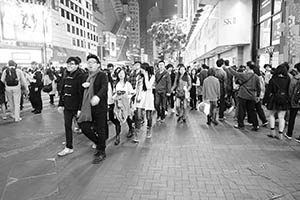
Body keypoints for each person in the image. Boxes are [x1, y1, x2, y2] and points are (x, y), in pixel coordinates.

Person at [77, 54, 108, 164]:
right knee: (84, 126)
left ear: (98, 65)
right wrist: (83, 86)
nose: (90, 64)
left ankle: (101, 151)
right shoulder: (85, 76)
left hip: (99, 107)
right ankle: (99, 144)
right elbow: (79, 92)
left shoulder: (102, 75)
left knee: (100, 129)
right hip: (87, 107)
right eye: (88, 62)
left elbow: (104, 88)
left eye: (92, 62)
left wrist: (97, 96)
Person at [57, 57, 85, 156]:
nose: (69, 65)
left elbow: (82, 94)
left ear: (77, 65)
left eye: (72, 64)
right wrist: (60, 104)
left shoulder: (81, 76)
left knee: (85, 127)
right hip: (67, 106)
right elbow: (62, 91)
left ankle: (96, 141)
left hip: (77, 107)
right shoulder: (66, 75)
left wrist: (80, 108)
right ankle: (69, 147)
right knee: (67, 126)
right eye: (68, 63)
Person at [226, 61, 261, 131]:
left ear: (248, 67)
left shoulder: (243, 75)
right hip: (252, 96)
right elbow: (258, 87)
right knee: (252, 111)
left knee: (241, 110)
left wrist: (228, 68)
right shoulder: (256, 77)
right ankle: (255, 125)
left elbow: (234, 73)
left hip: (243, 95)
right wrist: (258, 96)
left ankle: (241, 124)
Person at [263, 64, 290, 139]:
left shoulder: (273, 79)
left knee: (272, 115)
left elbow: (268, 91)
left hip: (274, 98)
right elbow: (289, 90)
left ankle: (272, 132)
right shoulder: (288, 79)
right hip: (284, 99)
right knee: (282, 117)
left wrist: (265, 100)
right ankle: (280, 134)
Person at [112, 67, 135, 144]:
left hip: (126, 104)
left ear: (125, 74)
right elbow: (113, 94)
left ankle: (131, 129)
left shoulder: (127, 84)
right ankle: (117, 136)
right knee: (117, 119)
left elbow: (132, 92)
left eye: (122, 73)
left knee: (128, 117)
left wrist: (127, 96)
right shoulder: (115, 84)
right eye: (119, 73)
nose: (121, 75)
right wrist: (116, 95)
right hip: (118, 104)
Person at [136, 63, 155, 138]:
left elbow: (148, 86)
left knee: (148, 116)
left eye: (142, 69)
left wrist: (146, 75)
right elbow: (138, 88)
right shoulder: (139, 77)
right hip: (140, 98)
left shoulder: (152, 77)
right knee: (138, 116)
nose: (141, 70)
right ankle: (136, 133)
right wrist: (137, 96)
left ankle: (149, 129)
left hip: (148, 98)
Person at [284, 62, 300, 142]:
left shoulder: (295, 79)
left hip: (295, 101)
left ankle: (289, 134)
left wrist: (290, 99)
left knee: (292, 118)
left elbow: (290, 91)